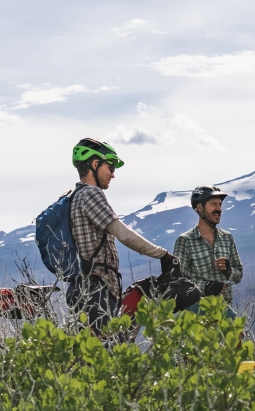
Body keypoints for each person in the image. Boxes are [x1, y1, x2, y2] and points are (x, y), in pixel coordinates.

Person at [68, 138, 176, 332]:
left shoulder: (74, 196)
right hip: (96, 290)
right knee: (107, 352)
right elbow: (123, 234)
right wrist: (162, 255)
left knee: (92, 353)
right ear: (95, 164)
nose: (113, 174)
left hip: (82, 288)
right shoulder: (91, 194)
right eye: (110, 167)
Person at [174, 186, 243, 317]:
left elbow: (239, 274)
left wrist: (229, 270)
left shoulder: (227, 238)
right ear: (199, 208)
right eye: (213, 204)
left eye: (220, 204)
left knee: (238, 336)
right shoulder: (185, 241)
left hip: (225, 309)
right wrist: (206, 286)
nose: (219, 209)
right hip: (197, 313)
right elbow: (178, 281)